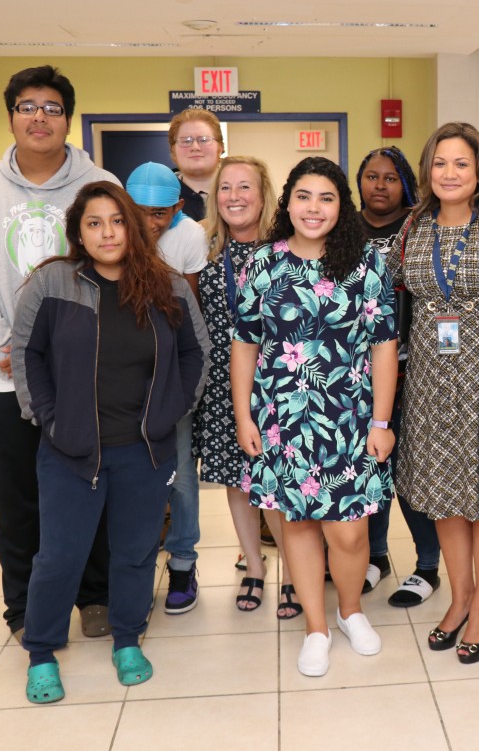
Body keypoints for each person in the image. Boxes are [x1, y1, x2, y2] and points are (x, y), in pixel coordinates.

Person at [11, 181, 210, 703]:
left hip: (144, 448)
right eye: (94, 223)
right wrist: (50, 420)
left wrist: (173, 410)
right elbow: (26, 355)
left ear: (134, 225)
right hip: (71, 450)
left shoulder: (167, 286)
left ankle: (127, 639)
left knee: (136, 552)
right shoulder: (52, 282)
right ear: (78, 230)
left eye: (117, 221)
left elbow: (198, 353)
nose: (107, 232)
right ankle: (42, 650)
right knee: (59, 556)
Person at [0, 65, 117, 642]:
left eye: (51, 107)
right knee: (15, 503)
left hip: (83, 378)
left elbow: (117, 272)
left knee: (92, 491)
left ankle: (95, 596)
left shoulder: (100, 185)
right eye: (27, 106)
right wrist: (10, 353)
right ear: (11, 116)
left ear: (68, 118)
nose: (39, 117)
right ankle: (22, 608)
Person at [231, 156, 398, 677]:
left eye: (326, 198)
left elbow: (385, 346)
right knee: (297, 524)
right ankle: (315, 628)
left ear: (340, 207)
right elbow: (244, 346)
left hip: (349, 417)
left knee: (349, 532)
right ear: (288, 203)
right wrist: (244, 417)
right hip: (281, 418)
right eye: (304, 196)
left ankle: (350, 611)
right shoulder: (262, 264)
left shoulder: (367, 261)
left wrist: (382, 423)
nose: (314, 208)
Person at [387, 122, 479, 663]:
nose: (449, 174)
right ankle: (459, 596)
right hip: (431, 379)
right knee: (446, 497)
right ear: (427, 170)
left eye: (461, 164)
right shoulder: (412, 227)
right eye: (440, 163)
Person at [192, 155, 298, 617]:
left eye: (244, 188)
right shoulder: (206, 251)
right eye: (225, 189)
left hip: (277, 383)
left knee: (279, 482)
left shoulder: (286, 249)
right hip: (221, 385)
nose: (234, 197)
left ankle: (295, 573)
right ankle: (253, 566)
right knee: (238, 481)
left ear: (264, 195)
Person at [354, 146, 443, 606]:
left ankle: (427, 565)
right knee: (371, 468)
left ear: (406, 182)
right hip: (357, 374)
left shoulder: (421, 227)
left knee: (411, 472)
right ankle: (376, 555)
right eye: (371, 176)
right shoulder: (343, 226)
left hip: (418, 370)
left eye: (390, 177)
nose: (380, 185)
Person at [126, 161, 208, 614]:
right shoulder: (114, 230)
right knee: (130, 474)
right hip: (121, 377)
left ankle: (182, 562)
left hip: (171, 374)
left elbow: (187, 314)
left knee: (180, 475)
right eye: (141, 212)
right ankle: (134, 563)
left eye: (161, 213)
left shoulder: (189, 236)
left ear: (177, 207)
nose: (151, 223)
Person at [169, 108, 223, 220]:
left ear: (220, 148)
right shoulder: (162, 200)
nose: (195, 147)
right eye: (186, 141)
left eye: (204, 140)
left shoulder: (240, 195)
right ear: (173, 151)